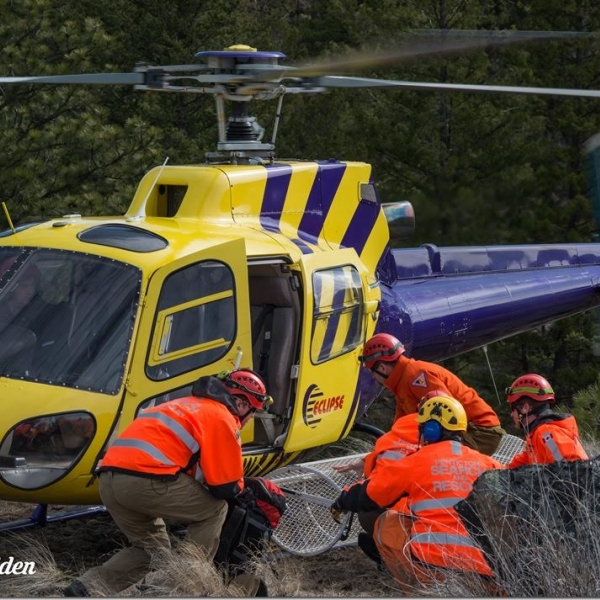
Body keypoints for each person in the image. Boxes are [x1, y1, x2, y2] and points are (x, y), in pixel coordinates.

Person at [64, 368, 271, 597]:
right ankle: (189, 584)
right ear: (242, 404)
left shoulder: (182, 404)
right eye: (253, 413)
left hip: (109, 481)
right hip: (143, 481)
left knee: (152, 549)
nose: (250, 419)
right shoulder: (221, 416)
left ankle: (85, 589)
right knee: (214, 511)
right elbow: (225, 487)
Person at [365, 395, 504, 593]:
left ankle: (414, 593)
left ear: (430, 430)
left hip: (434, 567)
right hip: (489, 573)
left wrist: (342, 501)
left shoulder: (417, 460)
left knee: (385, 523)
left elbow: (371, 492)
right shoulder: (491, 464)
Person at [360, 333, 505, 455]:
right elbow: (398, 431)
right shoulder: (402, 380)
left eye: (372, 372)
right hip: (466, 432)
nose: (373, 377)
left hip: (481, 433)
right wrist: (372, 457)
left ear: (383, 368)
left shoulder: (416, 376)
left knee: (425, 463)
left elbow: (448, 419)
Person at [505, 373, 588, 468]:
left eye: (512, 408)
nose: (511, 414)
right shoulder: (535, 436)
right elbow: (515, 466)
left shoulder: (546, 434)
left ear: (525, 408)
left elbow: (565, 469)